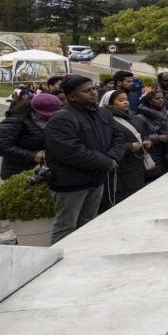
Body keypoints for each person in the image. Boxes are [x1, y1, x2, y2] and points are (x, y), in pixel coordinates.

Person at [43, 76, 125, 244]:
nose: (94, 93)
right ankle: (59, 263)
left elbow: (118, 137)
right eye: (87, 91)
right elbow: (70, 151)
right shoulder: (62, 118)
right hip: (71, 184)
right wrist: (105, 162)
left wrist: (113, 157)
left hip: (96, 180)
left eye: (94, 88)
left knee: (88, 223)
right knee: (66, 226)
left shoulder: (104, 113)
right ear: (72, 97)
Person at [98, 90, 149, 213]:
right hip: (120, 167)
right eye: (120, 100)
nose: (126, 102)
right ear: (109, 105)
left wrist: (147, 140)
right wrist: (129, 146)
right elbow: (106, 144)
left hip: (136, 164)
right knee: (122, 200)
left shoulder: (132, 117)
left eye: (126, 99)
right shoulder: (106, 121)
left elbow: (143, 132)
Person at [0, 92, 60, 180]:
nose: (48, 117)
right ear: (33, 109)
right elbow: (2, 146)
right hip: (18, 172)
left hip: (45, 171)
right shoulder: (15, 121)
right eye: (44, 114)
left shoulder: (56, 121)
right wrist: (33, 156)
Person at [132, 90, 168, 181]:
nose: (161, 100)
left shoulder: (167, 113)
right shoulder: (140, 117)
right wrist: (157, 137)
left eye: (162, 98)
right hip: (152, 154)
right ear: (149, 101)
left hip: (167, 153)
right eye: (157, 98)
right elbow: (138, 137)